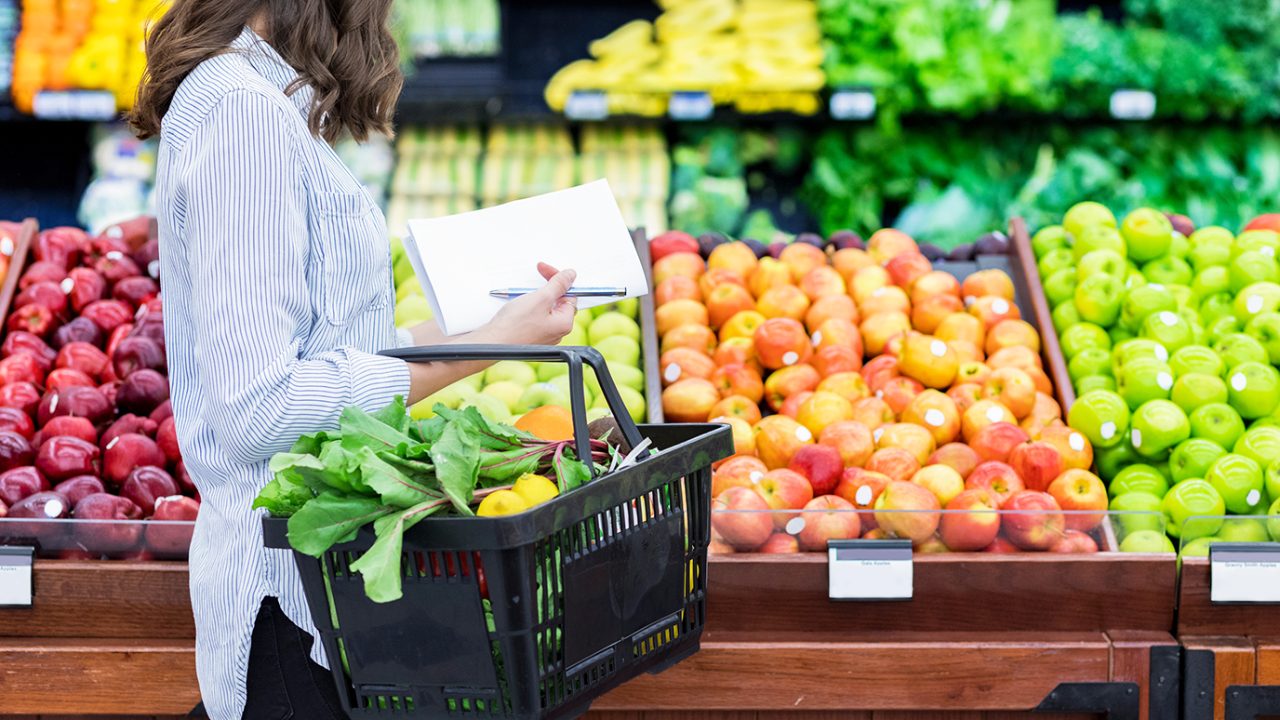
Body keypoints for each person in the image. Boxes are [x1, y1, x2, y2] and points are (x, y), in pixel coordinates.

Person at [128, 2, 577, 718]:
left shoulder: (260, 102)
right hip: (287, 605)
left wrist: (491, 330)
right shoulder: (242, 115)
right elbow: (260, 408)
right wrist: (480, 354)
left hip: (326, 597)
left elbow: (327, 354)